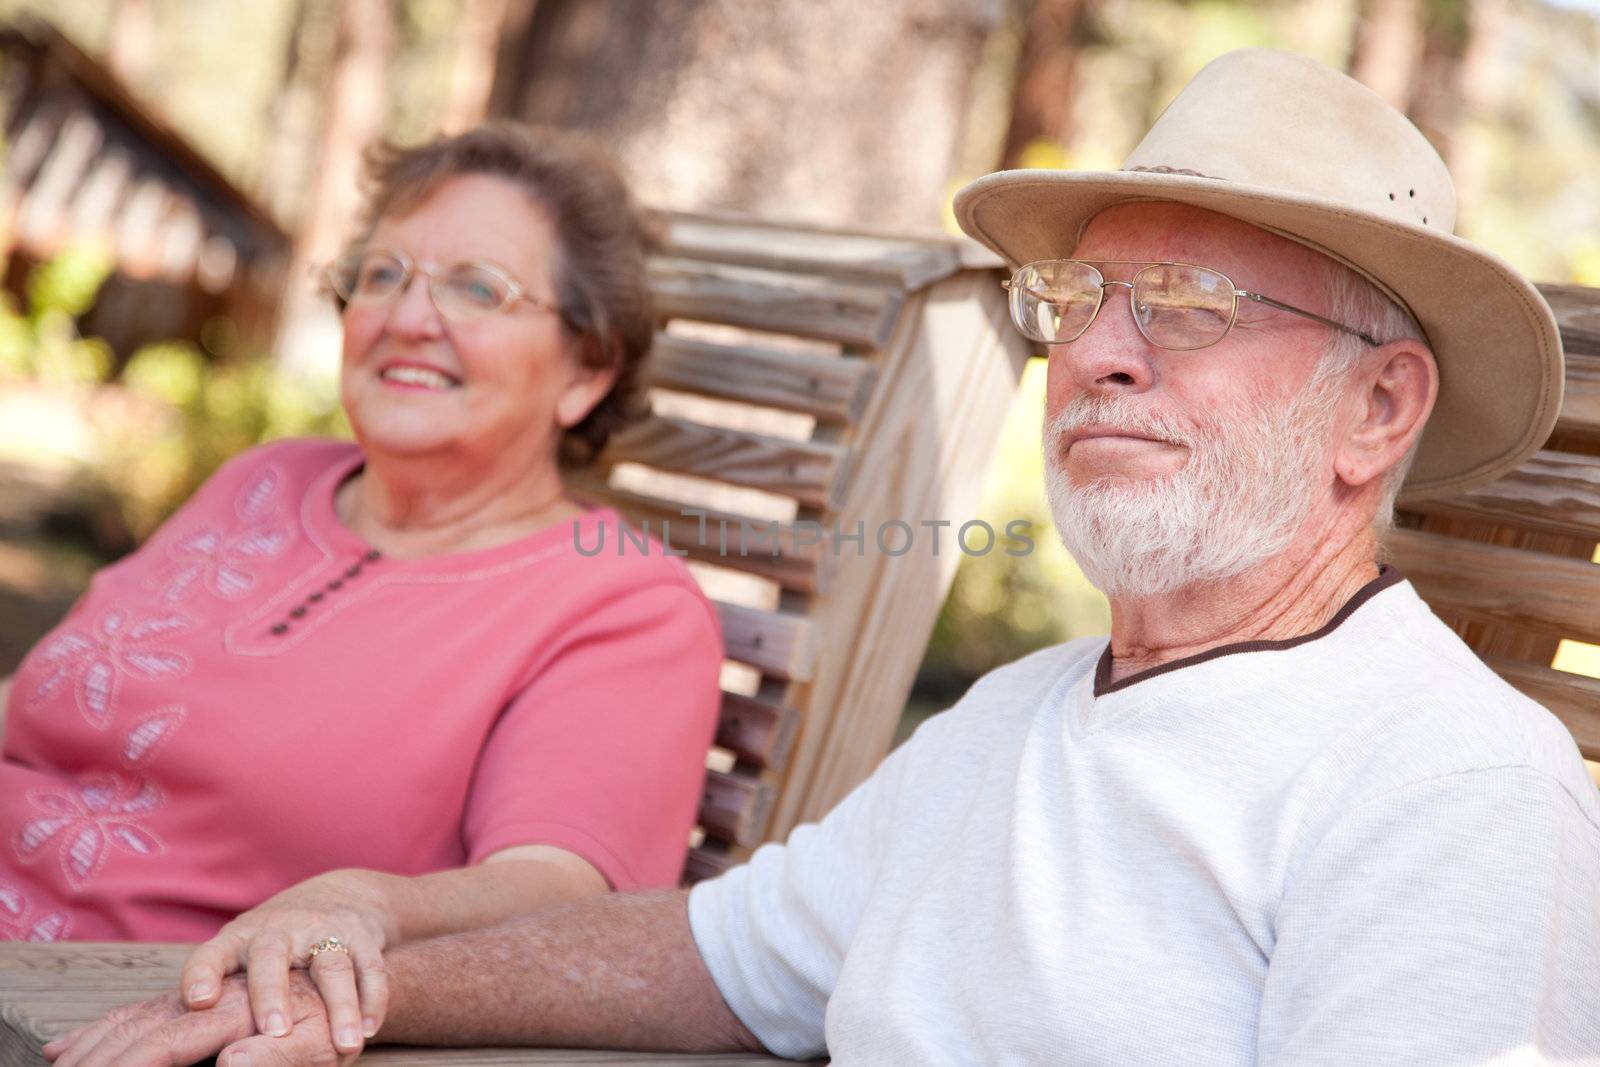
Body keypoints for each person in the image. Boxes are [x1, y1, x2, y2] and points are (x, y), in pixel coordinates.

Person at [45, 48, 1600, 1067]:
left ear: (1377, 407)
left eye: (1187, 301)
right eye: (1083, 301)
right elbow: (722, 958)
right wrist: (366, 955)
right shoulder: (1021, 716)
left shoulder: (1445, 788)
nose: (1101, 358)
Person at [5, 123, 723, 1055]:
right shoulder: (266, 480)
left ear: (588, 368)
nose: (409, 317)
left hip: (121, 1015)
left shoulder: (622, 604)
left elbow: (564, 891)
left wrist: (365, 902)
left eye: (478, 288)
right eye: (383, 275)